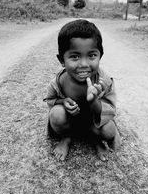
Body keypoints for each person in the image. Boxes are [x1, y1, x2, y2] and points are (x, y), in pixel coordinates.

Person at [44, 19, 121, 161]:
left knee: (109, 130)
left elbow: (110, 110)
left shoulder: (104, 82)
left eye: (92, 55)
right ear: (61, 60)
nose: (84, 64)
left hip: (93, 123)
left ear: (100, 56)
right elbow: (50, 100)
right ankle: (66, 138)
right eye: (74, 57)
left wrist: (94, 102)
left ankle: (95, 139)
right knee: (56, 114)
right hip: (70, 122)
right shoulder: (58, 82)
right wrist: (63, 101)